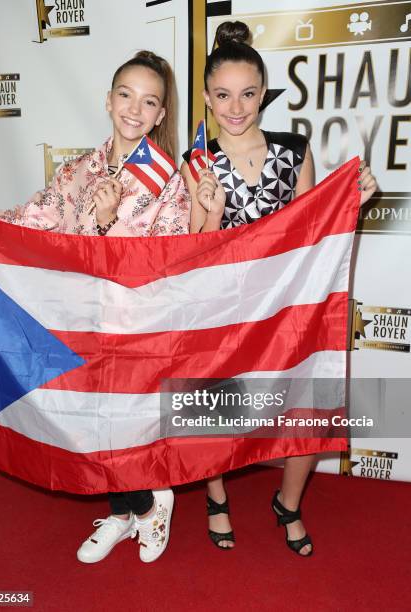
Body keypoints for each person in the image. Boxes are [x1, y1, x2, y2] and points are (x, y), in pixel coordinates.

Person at [0, 50, 191, 563]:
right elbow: (27, 222)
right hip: (79, 323)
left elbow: (167, 261)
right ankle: (129, 509)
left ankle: (151, 504)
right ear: (108, 100)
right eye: (126, 95)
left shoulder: (167, 182)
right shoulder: (77, 172)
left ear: (160, 115)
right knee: (91, 426)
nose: (135, 109)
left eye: (149, 102)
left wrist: (108, 226)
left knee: (123, 427)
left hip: (135, 327)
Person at [181, 21, 376, 553]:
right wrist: (209, 212)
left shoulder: (294, 150)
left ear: (263, 92)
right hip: (222, 310)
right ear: (206, 97)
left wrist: (349, 203)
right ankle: (215, 496)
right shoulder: (195, 162)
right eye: (222, 95)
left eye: (247, 94)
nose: (236, 106)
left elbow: (311, 232)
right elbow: (193, 252)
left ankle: (287, 504)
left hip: (288, 310)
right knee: (209, 409)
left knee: (308, 407)